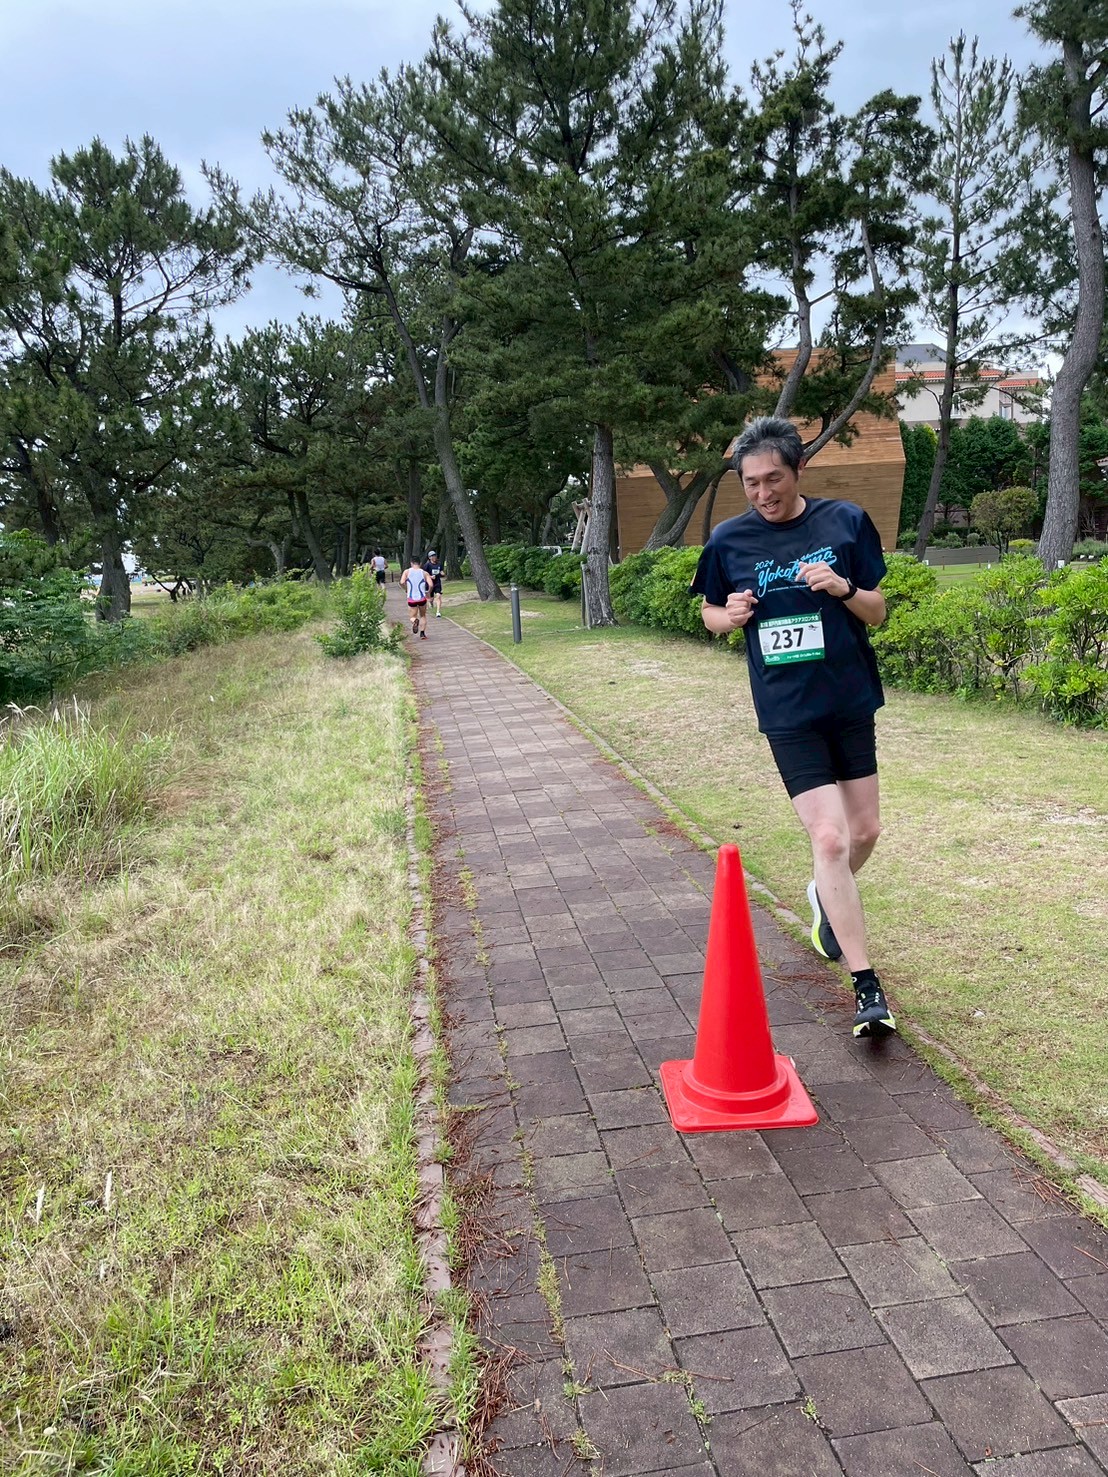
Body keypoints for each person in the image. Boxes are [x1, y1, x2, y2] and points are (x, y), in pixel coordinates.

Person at [690, 416, 895, 1041]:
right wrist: (730, 615)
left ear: (798, 469)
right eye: (751, 483)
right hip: (787, 711)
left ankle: (824, 895)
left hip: (849, 699)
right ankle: (867, 989)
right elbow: (709, 614)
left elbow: (878, 611)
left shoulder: (845, 522)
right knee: (830, 837)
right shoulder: (729, 540)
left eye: (773, 478)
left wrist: (843, 587)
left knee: (864, 831)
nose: (763, 493)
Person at [401, 558, 432, 639]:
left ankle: (415, 621)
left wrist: (406, 589)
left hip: (411, 598)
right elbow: (431, 584)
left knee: (412, 616)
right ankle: (422, 634)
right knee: (423, 615)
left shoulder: (407, 572)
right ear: (420, 563)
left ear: (411, 563)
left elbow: (402, 582)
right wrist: (428, 591)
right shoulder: (424, 573)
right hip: (422, 598)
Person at [422, 549, 444, 617]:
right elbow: (423, 574)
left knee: (438, 596)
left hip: (437, 583)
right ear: (429, 557)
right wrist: (430, 577)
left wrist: (442, 573)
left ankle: (438, 612)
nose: (434, 557)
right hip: (430, 584)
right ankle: (431, 603)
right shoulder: (427, 565)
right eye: (432, 556)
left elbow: (441, 571)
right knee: (431, 599)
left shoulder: (439, 564)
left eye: (435, 556)